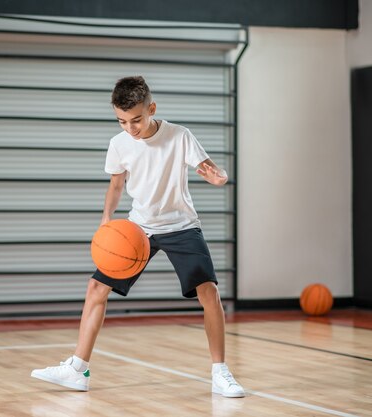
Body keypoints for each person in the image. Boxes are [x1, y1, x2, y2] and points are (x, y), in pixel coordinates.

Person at [31, 76, 245, 398]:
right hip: (138, 229)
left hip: (181, 225)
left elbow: (212, 169)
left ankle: (220, 372)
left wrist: (221, 177)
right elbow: (117, 185)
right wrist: (106, 220)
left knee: (209, 291)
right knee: (96, 288)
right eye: (121, 121)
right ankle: (77, 369)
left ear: (151, 109)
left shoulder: (179, 136)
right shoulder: (119, 143)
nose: (130, 128)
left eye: (136, 120)